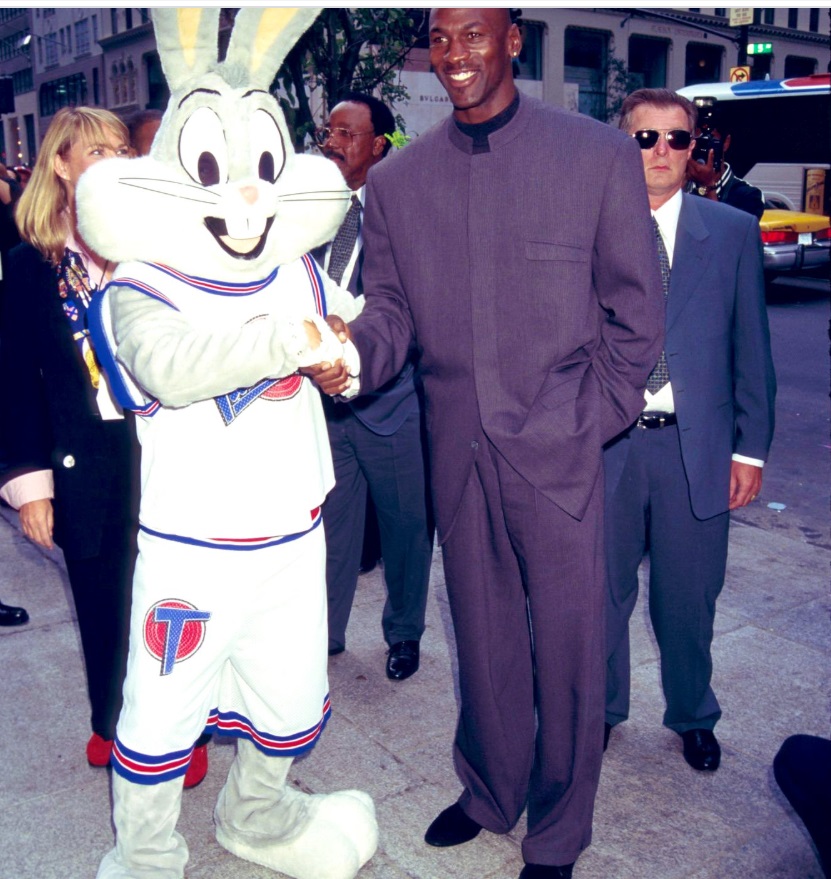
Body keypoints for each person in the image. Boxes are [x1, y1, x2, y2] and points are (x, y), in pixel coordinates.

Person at [308, 9, 665, 878]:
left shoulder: (593, 155)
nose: (455, 53)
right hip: (457, 458)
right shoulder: (399, 184)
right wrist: (349, 354)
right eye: (441, 36)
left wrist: (588, 420)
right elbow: (390, 314)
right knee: (484, 638)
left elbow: (637, 316)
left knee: (572, 653)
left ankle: (557, 829)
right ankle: (489, 789)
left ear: (511, 40)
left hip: (562, 458)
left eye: (475, 33)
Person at [604, 89, 776, 771]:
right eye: (644, 138)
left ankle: (691, 713)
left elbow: (751, 350)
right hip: (607, 447)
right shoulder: (590, 227)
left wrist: (748, 449)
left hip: (693, 451)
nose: (661, 152)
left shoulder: (728, 231)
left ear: (693, 147)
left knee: (688, 596)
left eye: (676, 139)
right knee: (599, 593)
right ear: (622, 144)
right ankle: (601, 709)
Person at [0, 108, 138, 762]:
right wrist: (31, 487)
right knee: (102, 598)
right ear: (59, 164)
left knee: (171, 593)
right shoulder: (29, 268)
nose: (112, 161)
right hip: (83, 459)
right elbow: (14, 381)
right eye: (95, 152)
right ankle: (112, 723)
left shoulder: (154, 249)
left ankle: (182, 728)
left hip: (163, 454)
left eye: (120, 150)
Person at [314, 92, 433, 680]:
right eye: (328, 131)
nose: (331, 141)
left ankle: (404, 633)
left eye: (346, 133)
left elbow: (419, 310)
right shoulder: (310, 212)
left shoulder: (407, 210)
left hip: (390, 404)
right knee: (331, 527)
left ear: (379, 143)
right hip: (323, 405)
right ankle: (326, 634)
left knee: (405, 530)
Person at [685, 106, 764, 218]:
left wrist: (708, 186)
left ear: (726, 143)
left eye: (711, 140)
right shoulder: (682, 185)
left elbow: (732, 233)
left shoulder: (748, 194)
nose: (704, 147)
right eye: (699, 140)